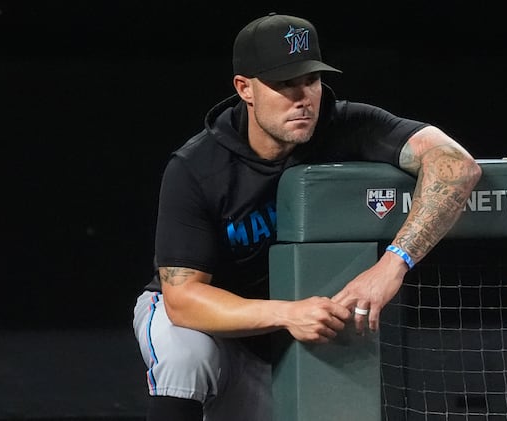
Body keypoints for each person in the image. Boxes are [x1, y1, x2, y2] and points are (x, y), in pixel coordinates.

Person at [133, 12, 482, 421]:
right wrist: (287, 312)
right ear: (245, 88)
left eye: (311, 80)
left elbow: (457, 164)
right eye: (284, 84)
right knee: (186, 356)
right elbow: (182, 300)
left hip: (290, 341)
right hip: (212, 321)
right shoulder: (197, 166)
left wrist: (394, 263)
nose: (303, 98)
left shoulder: (347, 124)